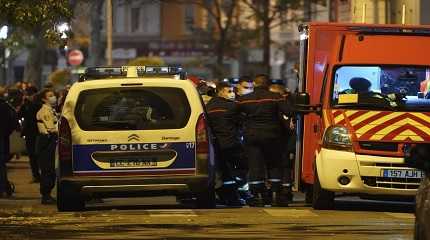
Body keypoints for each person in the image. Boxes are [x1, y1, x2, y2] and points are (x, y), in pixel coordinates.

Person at [237, 74, 291, 207]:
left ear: (254, 85)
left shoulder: (244, 100)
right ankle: (275, 195)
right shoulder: (276, 97)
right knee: (274, 164)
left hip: (252, 136)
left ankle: (257, 196)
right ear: (268, 85)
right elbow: (289, 111)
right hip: (272, 136)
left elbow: (233, 115)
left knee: (255, 165)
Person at [206, 82, 243, 206]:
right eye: (229, 91)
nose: (232, 94)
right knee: (233, 171)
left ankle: (225, 196)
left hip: (216, 144)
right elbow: (240, 123)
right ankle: (233, 198)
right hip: (231, 143)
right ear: (220, 92)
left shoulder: (208, 106)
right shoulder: (232, 106)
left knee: (222, 171)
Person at [36, 89, 58, 204]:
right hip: (47, 142)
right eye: (50, 96)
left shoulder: (51, 110)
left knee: (50, 169)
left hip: (49, 141)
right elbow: (51, 129)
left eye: (53, 95)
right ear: (44, 99)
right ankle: (46, 195)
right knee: (47, 169)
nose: (53, 97)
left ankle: (47, 194)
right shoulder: (45, 111)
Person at [20, 86, 42, 183]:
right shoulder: (26, 105)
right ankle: (36, 175)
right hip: (30, 134)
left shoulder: (38, 105)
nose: (28, 96)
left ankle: (40, 175)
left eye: (29, 94)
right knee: (32, 156)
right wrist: (24, 104)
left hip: (38, 133)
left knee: (38, 155)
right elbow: (20, 114)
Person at [0, 94, 18, 197]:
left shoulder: (3, 106)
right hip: (3, 138)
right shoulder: (5, 106)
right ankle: (4, 188)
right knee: (1, 165)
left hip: (2, 139)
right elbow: (12, 123)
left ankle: (3, 188)